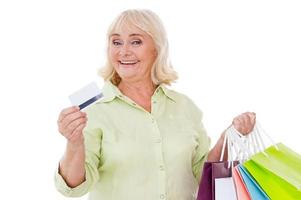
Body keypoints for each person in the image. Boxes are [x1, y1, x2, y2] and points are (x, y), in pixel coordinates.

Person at [54, 9, 256, 200]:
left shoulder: (184, 107)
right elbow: (73, 187)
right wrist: (74, 142)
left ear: (157, 48)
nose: (124, 52)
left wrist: (227, 137)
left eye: (135, 42)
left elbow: (202, 177)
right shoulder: (93, 111)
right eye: (116, 42)